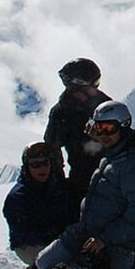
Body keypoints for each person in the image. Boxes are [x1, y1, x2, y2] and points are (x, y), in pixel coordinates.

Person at [31, 101, 135, 269]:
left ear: (124, 125)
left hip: (117, 244)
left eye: (109, 128)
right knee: (41, 266)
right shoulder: (114, 153)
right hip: (87, 232)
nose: (103, 135)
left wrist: (104, 239)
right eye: (98, 128)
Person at [43, 57, 111, 205]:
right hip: (82, 184)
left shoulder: (105, 105)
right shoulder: (61, 114)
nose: (96, 88)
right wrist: (59, 183)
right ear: (76, 88)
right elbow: (51, 148)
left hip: (114, 177)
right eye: (93, 84)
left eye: (97, 83)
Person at [3, 141, 78, 267]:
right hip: (31, 245)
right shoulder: (17, 197)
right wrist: (49, 235)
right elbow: (20, 235)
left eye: (45, 163)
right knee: (54, 261)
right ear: (27, 167)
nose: (42, 168)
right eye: (35, 165)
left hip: (62, 239)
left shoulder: (59, 186)